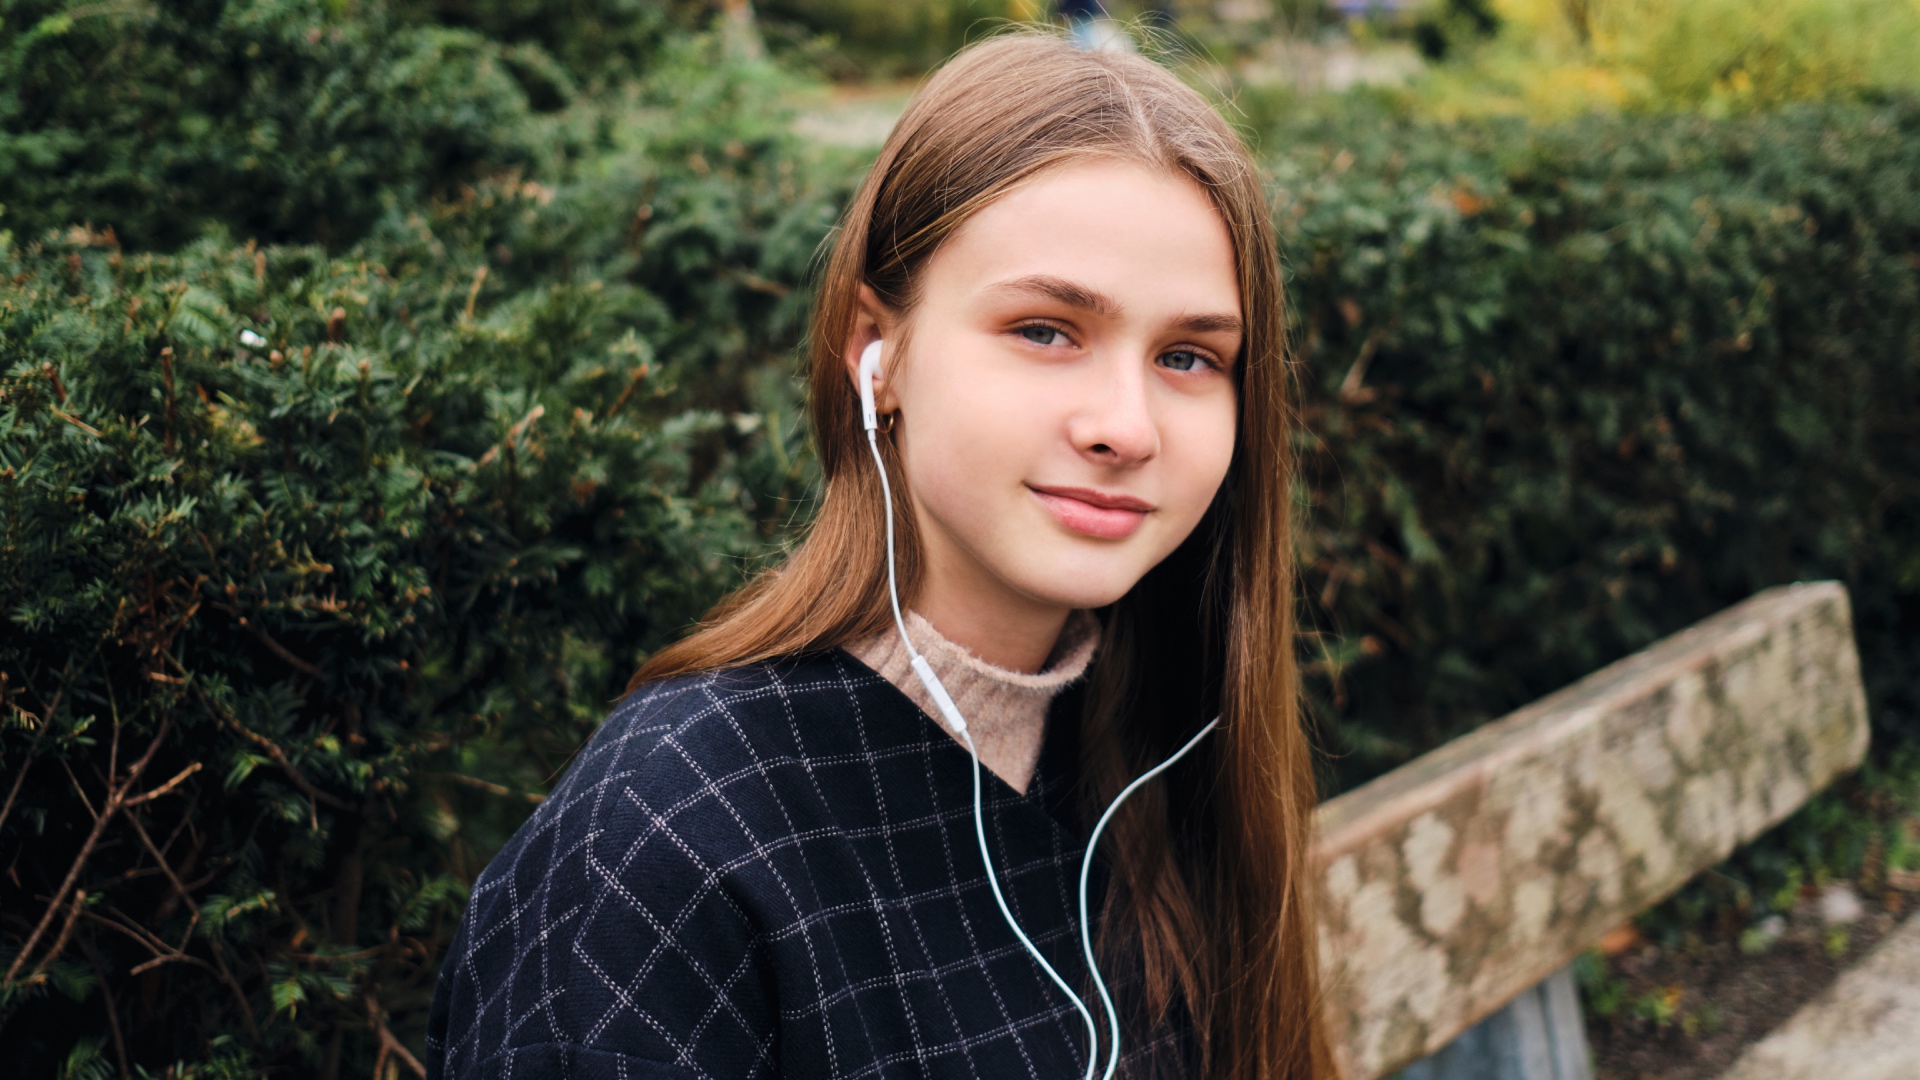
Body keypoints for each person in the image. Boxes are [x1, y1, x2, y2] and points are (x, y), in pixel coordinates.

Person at [427, 31, 1328, 1080]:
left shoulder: (1169, 751)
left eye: (1188, 357)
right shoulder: (664, 842)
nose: (1127, 426)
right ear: (877, 351)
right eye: (1046, 330)